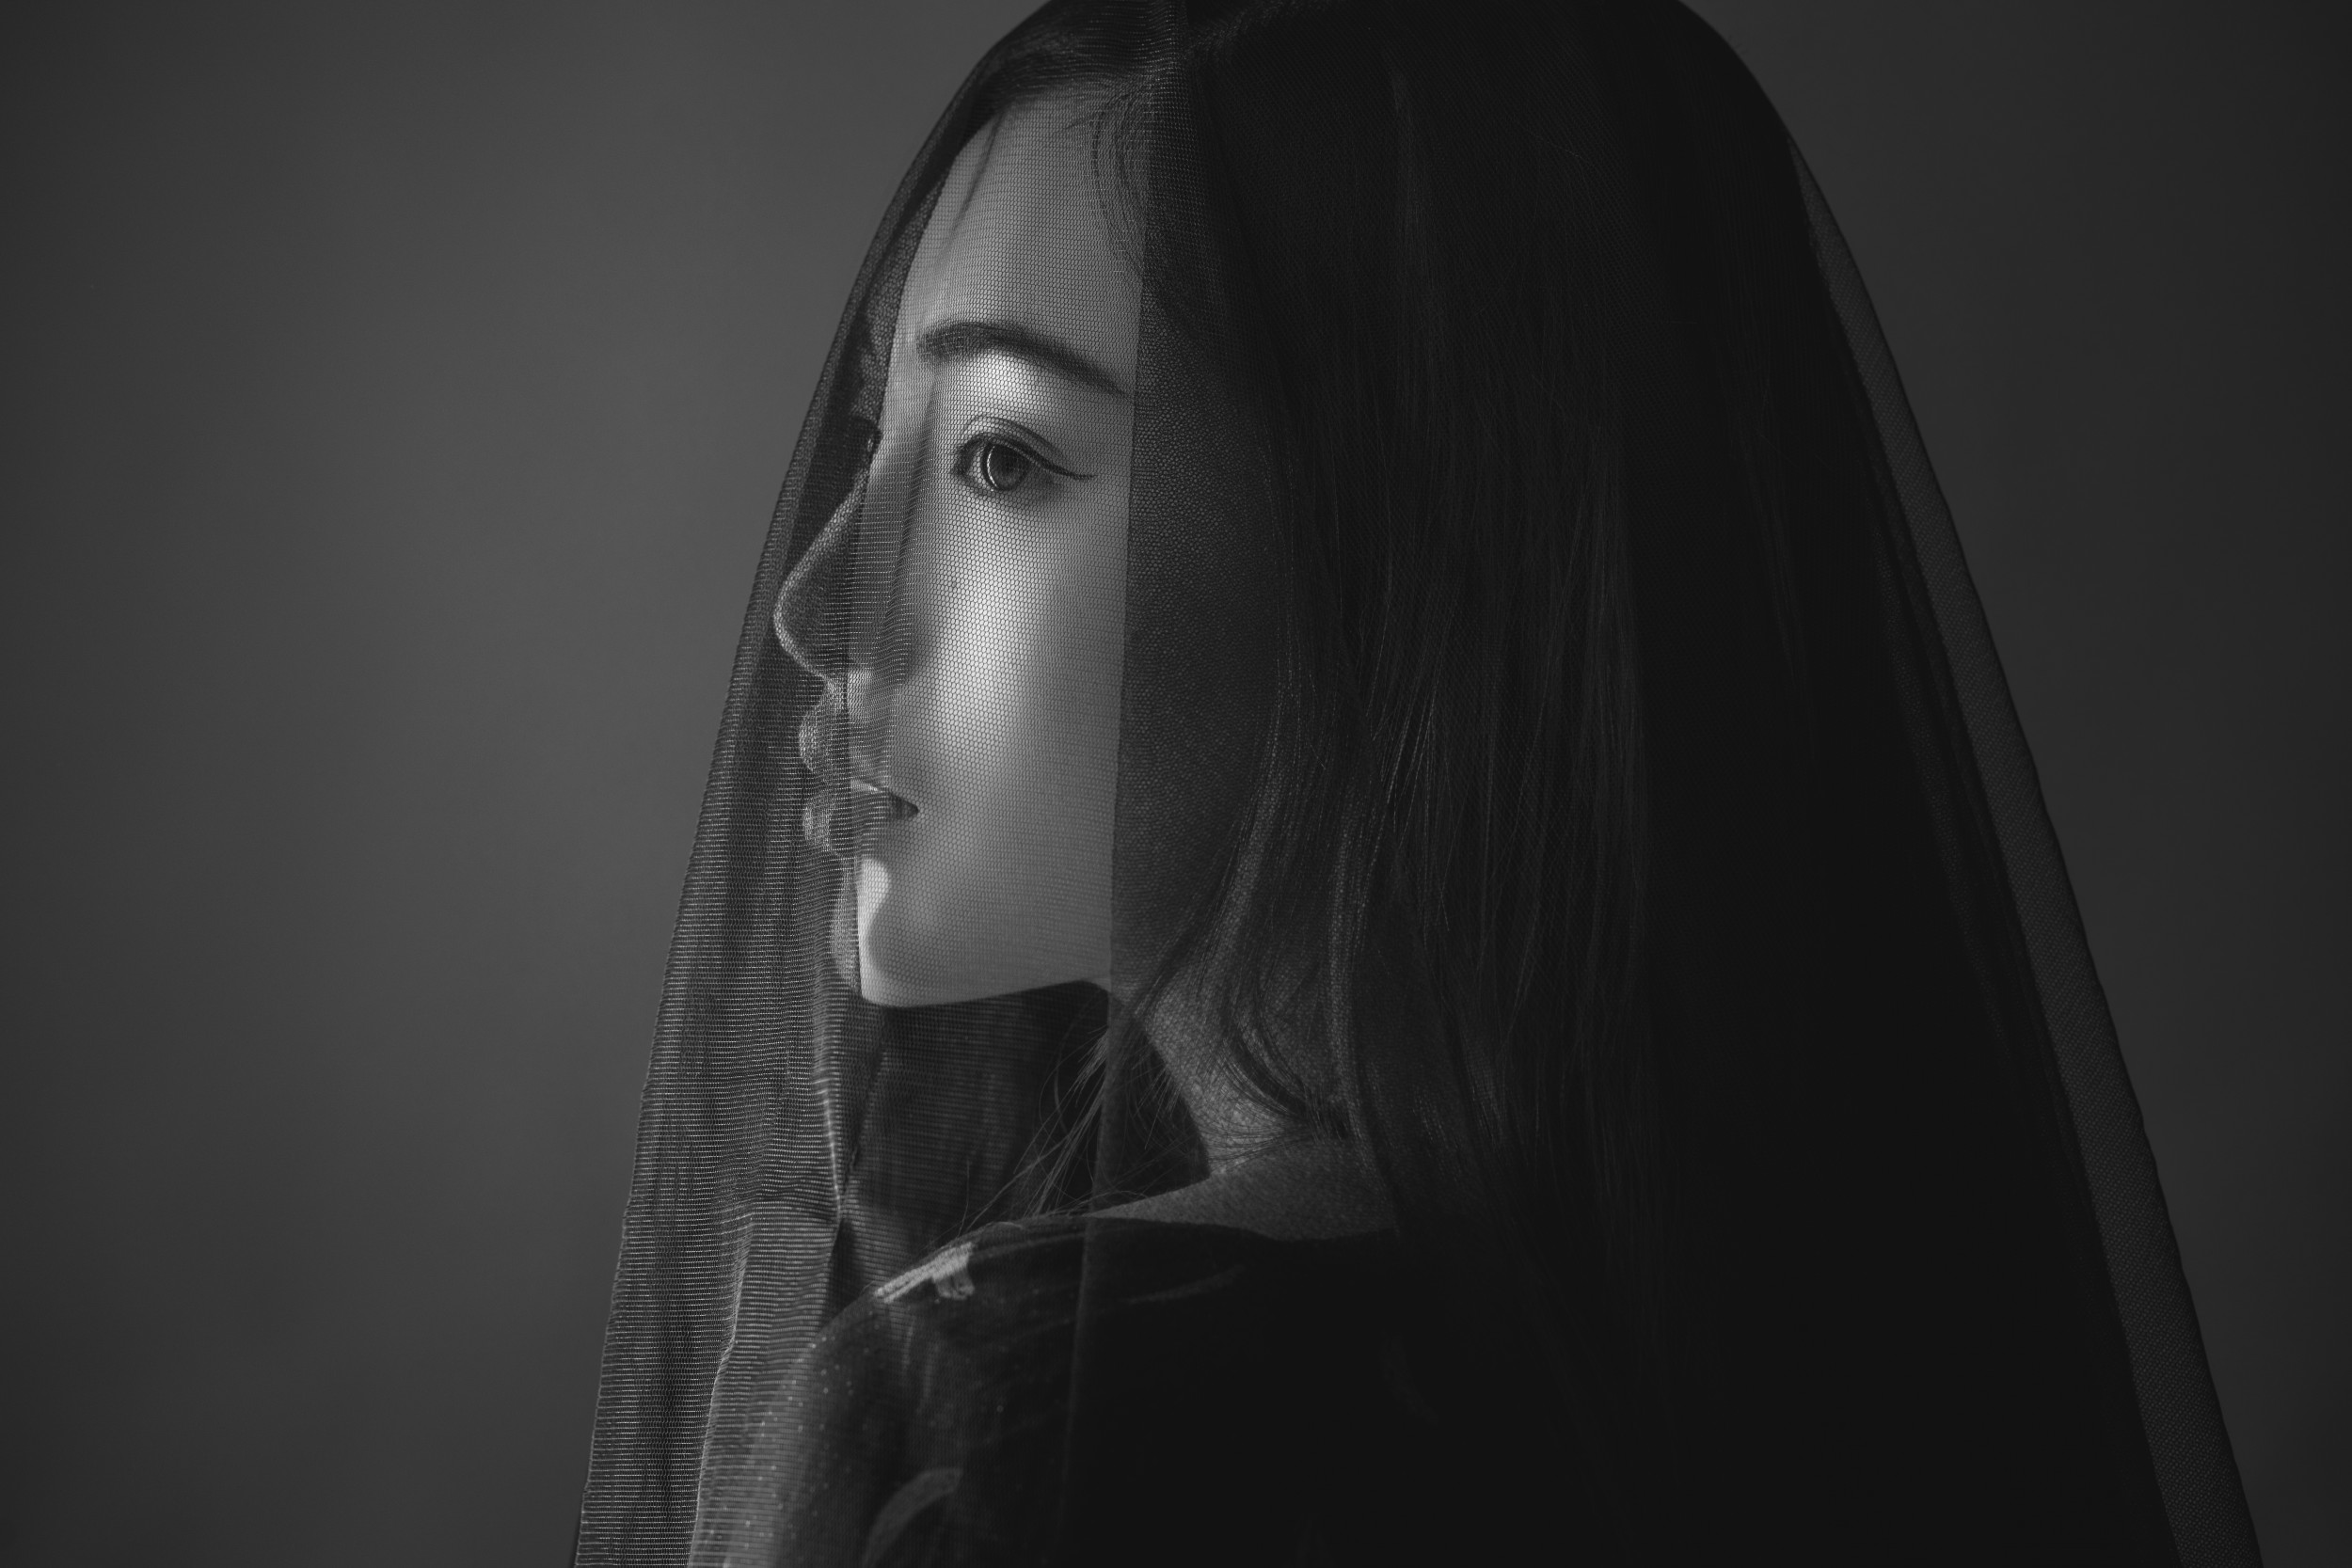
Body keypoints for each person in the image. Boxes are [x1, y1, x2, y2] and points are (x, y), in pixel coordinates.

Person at [576, 2, 2259, 1563]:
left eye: (998, 457)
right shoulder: (1838, 1346)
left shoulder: (1007, 1414)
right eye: (876, 432)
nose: (815, 606)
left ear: (1407, 565)